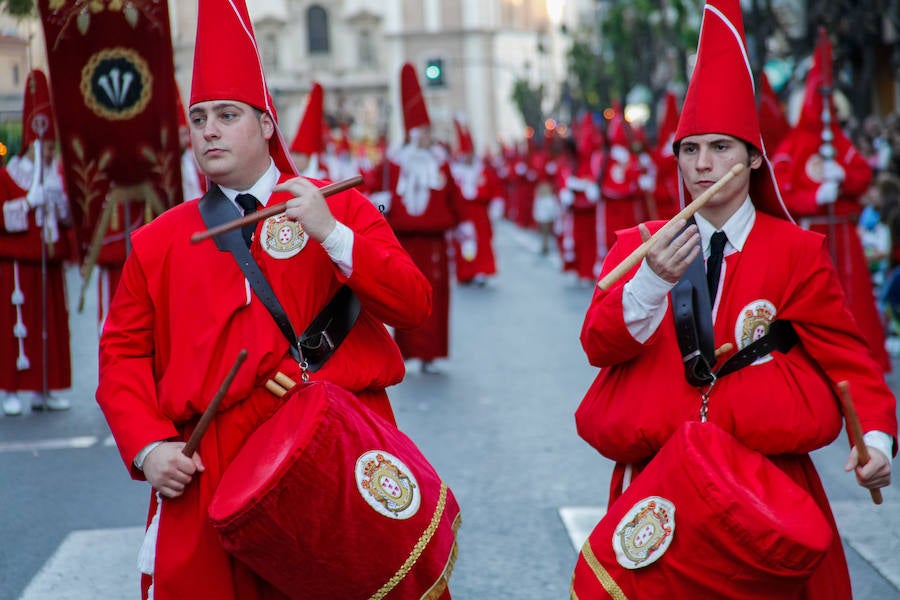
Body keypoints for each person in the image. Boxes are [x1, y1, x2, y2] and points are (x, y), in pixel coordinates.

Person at [94, 1, 447, 598]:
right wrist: (149, 446)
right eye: (199, 116)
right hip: (211, 467)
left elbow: (413, 305)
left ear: (265, 124)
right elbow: (121, 356)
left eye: (227, 115)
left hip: (331, 445)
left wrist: (333, 234)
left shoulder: (339, 208)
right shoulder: (158, 242)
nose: (208, 129)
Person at [573, 1, 896, 597]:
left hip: (767, 485)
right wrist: (649, 283)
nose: (703, 166)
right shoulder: (638, 247)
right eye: (689, 150)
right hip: (663, 479)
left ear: (752, 157)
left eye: (721, 148)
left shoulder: (796, 252)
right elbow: (598, 344)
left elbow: (852, 362)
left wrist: (874, 440)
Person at [772, 27, 891, 372]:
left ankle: (860, 358)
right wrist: (814, 196)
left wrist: (844, 176)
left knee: (853, 298)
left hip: (844, 233)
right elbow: (782, 192)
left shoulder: (838, 140)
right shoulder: (791, 147)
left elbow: (862, 175)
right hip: (810, 235)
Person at [377, 62, 468, 373]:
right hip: (404, 241)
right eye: (423, 131)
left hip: (436, 243)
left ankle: (431, 352)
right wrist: (382, 206)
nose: (428, 136)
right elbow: (373, 202)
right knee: (405, 295)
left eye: (430, 131)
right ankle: (408, 351)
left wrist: (463, 227)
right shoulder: (394, 164)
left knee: (437, 298)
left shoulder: (441, 163)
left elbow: (454, 198)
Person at [0, 68, 73, 415]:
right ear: (32, 142)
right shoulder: (8, 174)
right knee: (16, 330)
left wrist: (56, 201)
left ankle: (45, 389)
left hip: (48, 263)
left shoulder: (54, 175)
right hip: (15, 266)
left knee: (50, 329)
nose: (49, 152)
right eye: (46, 146)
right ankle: (10, 391)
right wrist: (29, 200)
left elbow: (64, 222)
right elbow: (4, 217)